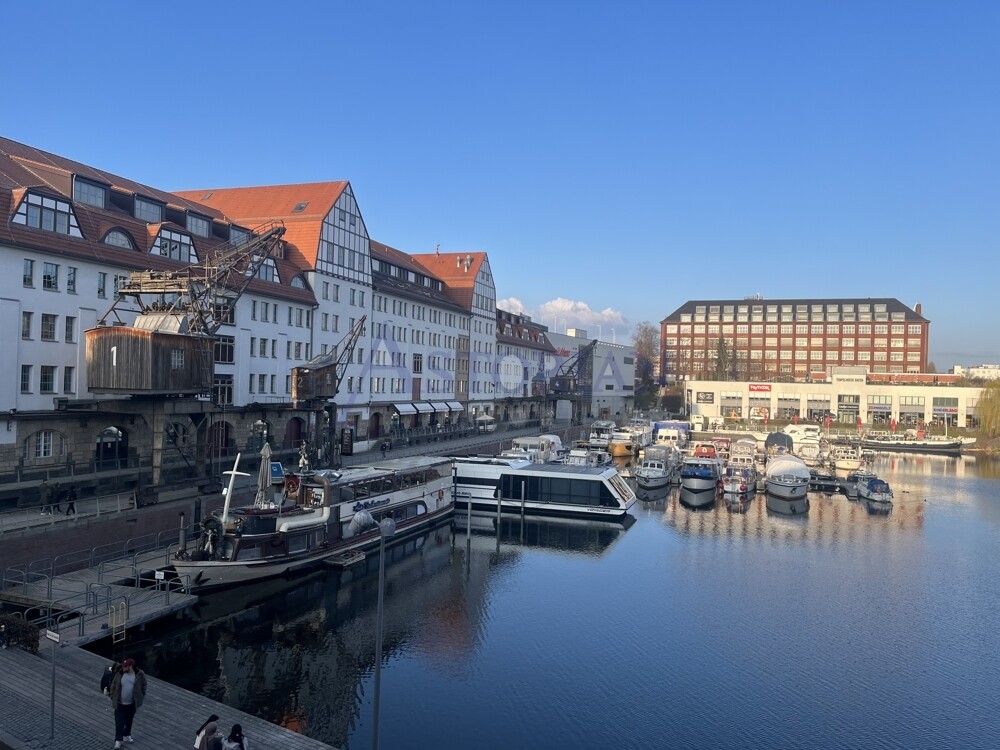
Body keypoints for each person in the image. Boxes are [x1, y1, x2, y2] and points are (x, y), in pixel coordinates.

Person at [109, 657, 147, 749]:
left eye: (125, 666)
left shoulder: (139, 674)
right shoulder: (119, 673)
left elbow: (144, 685)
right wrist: (112, 695)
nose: (123, 668)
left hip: (132, 703)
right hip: (120, 704)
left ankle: (127, 735)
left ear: (130, 666)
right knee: (119, 723)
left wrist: (141, 696)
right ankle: (118, 741)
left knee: (129, 721)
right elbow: (113, 684)